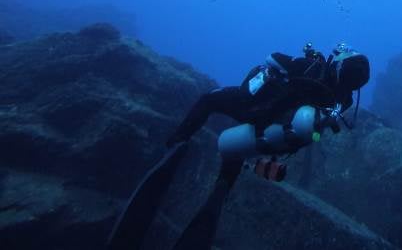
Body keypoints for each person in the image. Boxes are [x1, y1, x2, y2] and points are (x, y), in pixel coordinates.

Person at [107, 42, 370, 250]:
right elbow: (318, 129)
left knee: (209, 100)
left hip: (254, 110)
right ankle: (221, 190)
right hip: (278, 139)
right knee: (237, 149)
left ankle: (177, 144)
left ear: (338, 61)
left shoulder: (310, 67)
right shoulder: (343, 101)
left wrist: (300, 63)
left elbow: (274, 58)